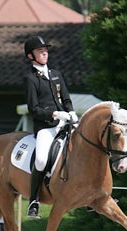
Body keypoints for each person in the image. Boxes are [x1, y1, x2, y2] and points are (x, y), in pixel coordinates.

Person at [24, 36, 78, 218]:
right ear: (31, 56)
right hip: (46, 127)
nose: (44, 52)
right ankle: (33, 200)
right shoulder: (30, 78)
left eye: (45, 50)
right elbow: (34, 109)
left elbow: (66, 98)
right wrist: (54, 114)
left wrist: (71, 112)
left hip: (65, 123)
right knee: (40, 160)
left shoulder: (56, 74)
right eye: (40, 51)